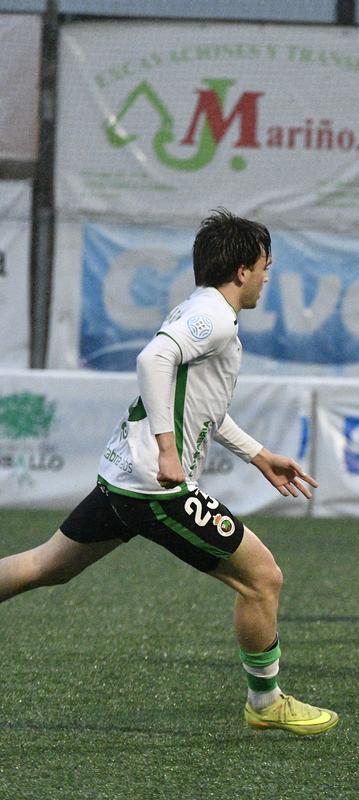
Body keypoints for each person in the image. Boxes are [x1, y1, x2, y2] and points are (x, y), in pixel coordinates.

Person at [0, 209, 338, 734]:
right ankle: (266, 703)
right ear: (243, 270)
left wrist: (256, 453)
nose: (268, 278)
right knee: (262, 578)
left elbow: (203, 406)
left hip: (123, 478)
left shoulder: (202, 309)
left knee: (49, 566)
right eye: (266, 266)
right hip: (155, 487)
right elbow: (152, 359)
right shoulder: (216, 317)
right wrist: (167, 451)